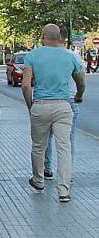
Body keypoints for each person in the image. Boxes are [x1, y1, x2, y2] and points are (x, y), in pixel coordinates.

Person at [22, 24, 84, 203]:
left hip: (40, 105)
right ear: (59, 38)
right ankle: (63, 190)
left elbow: (26, 85)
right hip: (63, 106)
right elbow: (80, 81)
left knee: (38, 146)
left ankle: (38, 180)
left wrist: (30, 105)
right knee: (64, 147)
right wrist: (79, 95)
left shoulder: (32, 56)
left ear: (42, 36)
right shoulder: (69, 56)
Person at [45, 26, 82, 180]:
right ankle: (67, 173)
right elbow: (81, 80)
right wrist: (79, 95)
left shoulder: (43, 56)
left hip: (47, 100)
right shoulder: (74, 56)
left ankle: (46, 169)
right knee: (68, 139)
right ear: (65, 39)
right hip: (70, 100)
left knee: (46, 137)